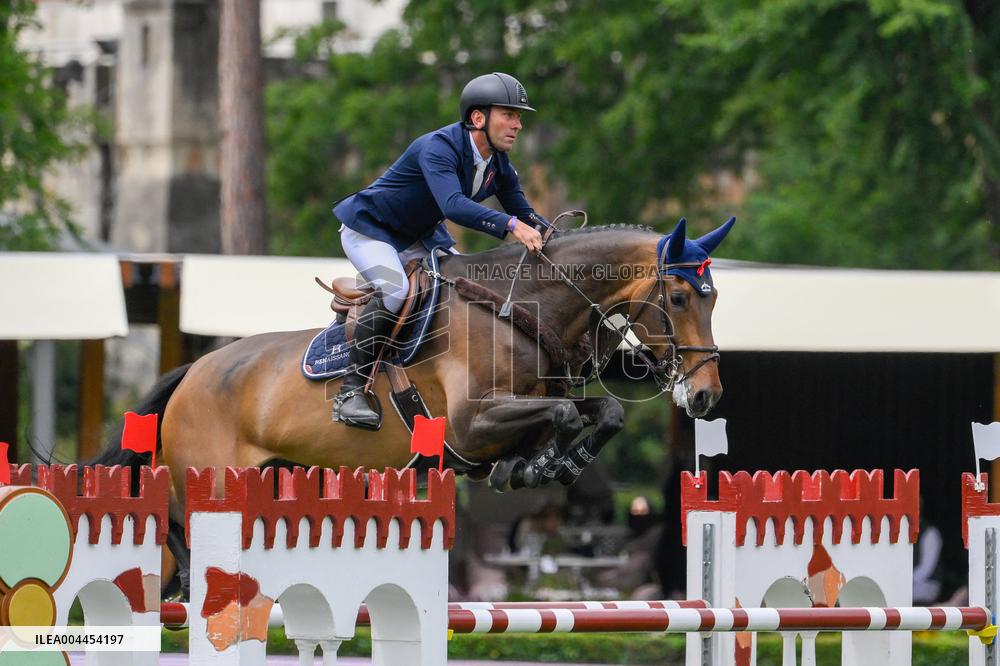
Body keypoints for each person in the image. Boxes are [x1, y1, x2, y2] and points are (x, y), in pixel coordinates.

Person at [330, 72, 548, 430]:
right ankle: (350, 391)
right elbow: (454, 206)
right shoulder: (438, 147)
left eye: (519, 116)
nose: (518, 124)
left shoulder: (498, 165)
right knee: (396, 290)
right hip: (370, 231)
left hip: (418, 235)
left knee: (460, 283)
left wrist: (559, 240)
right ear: (478, 118)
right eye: (509, 114)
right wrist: (510, 227)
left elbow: (526, 215)